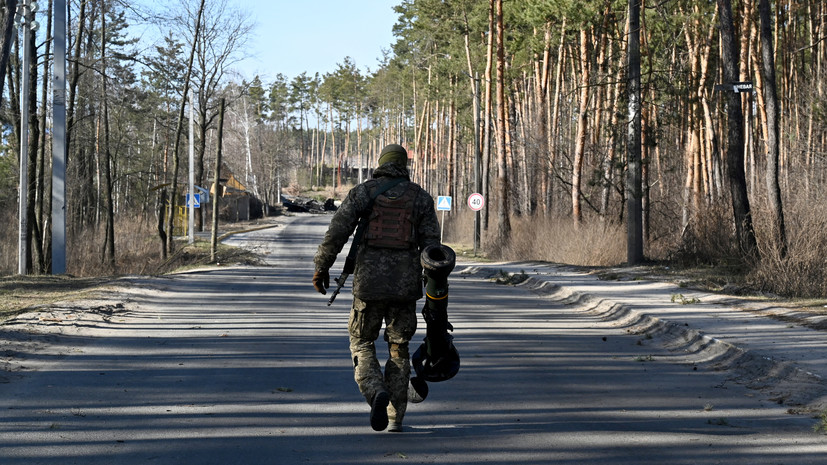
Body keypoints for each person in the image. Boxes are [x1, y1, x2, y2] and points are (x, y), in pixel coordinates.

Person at [313, 143, 440, 432]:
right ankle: (395, 417)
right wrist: (435, 290)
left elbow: (337, 232)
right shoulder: (420, 198)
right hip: (405, 287)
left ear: (381, 163)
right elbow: (432, 248)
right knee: (399, 348)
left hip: (368, 284)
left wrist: (322, 266)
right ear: (404, 165)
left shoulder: (363, 192)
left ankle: (375, 392)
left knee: (361, 341)